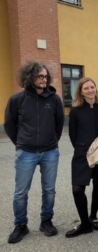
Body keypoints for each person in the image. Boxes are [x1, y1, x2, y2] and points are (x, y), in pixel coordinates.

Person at [4, 61, 64, 243]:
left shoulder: (54, 100)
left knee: (49, 190)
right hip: (26, 153)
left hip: (50, 152)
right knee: (21, 192)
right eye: (40, 76)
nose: (44, 79)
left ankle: (46, 221)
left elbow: (59, 125)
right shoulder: (16, 100)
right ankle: (21, 225)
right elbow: (10, 125)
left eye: (46, 76)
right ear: (30, 77)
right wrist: (21, 143)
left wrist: (51, 142)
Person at [65, 77, 98, 238]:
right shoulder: (75, 111)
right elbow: (73, 135)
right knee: (77, 189)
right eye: (86, 88)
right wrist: (83, 149)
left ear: (96, 89)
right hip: (82, 155)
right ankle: (84, 224)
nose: (90, 90)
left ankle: (93, 217)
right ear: (80, 92)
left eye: (92, 87)